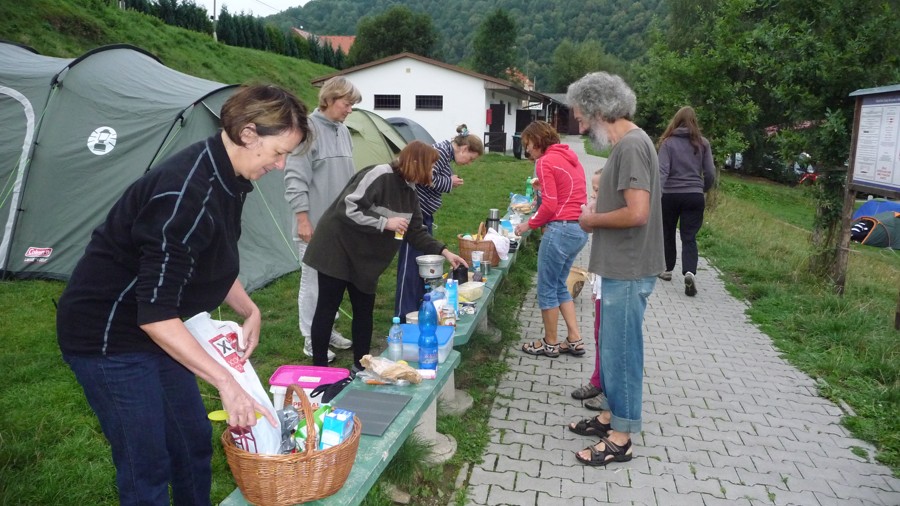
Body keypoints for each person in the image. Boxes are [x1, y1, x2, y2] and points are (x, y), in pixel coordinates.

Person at [56, 84, 309, 505]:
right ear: (248, 134)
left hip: (161, 328)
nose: (280, 165)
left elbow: (209, 257)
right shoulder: (186, 195)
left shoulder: (229, 175)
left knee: (191, 441)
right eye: (279, 152)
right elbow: (155, 315)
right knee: (146, 462)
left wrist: (249, 309)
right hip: (109, 337)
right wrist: (226, 382)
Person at [567, 72, 664, 466]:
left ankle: (621, 438)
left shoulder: (632, 146)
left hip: (629, 267)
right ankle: (609, 416)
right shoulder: (627, 145)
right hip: (620, 266)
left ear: (598, 110)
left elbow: (637, 213)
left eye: (580, 118)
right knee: (610, 348)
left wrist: (591, 220)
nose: (580, 127)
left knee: (621, 352)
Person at [304, 141, 468, 370]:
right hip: (337, 247)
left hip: (365, 259)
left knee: (364, 310)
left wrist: (445, 252)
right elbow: (347, 208)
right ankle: (320, 369)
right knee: (327, 308)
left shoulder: (410, 192)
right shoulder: (379, 174)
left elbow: (416, 232)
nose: (432, 173)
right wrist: (385, 222)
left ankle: (361, 366)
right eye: (430, 167)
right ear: (416, 162)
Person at [284, 76, 362, 362]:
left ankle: (326, 330)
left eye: (352, 105)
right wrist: (303, 220)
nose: (350, 110)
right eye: (347, 103)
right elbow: (295, 179)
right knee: (313, 284)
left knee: (334, 283)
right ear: (329, 99)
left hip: (340, 226)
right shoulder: (307, 131)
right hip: (314, 226)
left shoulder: (343, 131)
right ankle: (310, 337)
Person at [394, 124, 483, 321]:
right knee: (411, 266)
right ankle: (403, 314)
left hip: (423, 216)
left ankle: (419, 307)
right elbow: (425, 177)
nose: (469, 163)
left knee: (423, 265)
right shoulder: (441, 152)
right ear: (464, 148)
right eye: (470, 159)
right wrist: (449, 182)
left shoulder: (445, 154)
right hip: (414, 219)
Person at [516, 121, 589, 357]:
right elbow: (566, 192)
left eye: (528, 144)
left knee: (546, 288)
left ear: (538, 140)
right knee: (559, 284)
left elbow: (550, 206)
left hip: (560, 230)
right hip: (579, 229)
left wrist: (528, 224)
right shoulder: (570, 158)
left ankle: (550, 343)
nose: (527, 150)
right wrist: (542, 187)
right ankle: (575, 338)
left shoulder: (545, 161)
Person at [656, 106, 716, 296]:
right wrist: (702, 188)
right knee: (689, 236)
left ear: (676, 121)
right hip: (694, 195)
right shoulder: (703, 143)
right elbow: (710, 172)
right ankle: (689, 272)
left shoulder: (667, 143)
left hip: (670, 195)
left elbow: (662, 171)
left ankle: (667, 269)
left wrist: (657, 194)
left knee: (668, 231)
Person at [572, 168, 605, 406]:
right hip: (602, 281)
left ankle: (606, 388)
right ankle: (597, 380)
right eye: (592, 190)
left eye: (597, 190)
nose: (593, 195)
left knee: (607, 336)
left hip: (613, 282)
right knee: (598, 332)